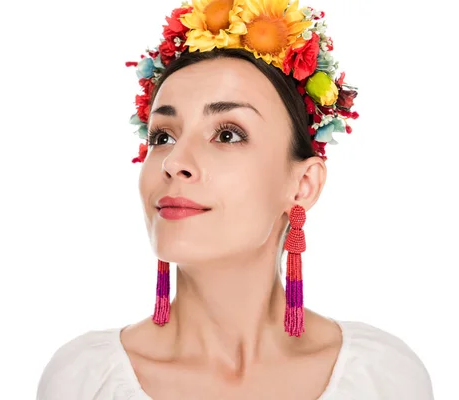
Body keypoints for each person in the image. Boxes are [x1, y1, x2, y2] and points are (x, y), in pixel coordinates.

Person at [37, 1, 434, 398]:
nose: (174, 162)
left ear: (303, 185)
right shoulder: (84, 382)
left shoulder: (384, 379)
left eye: (227, 134)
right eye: (162, 137)